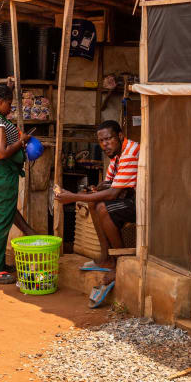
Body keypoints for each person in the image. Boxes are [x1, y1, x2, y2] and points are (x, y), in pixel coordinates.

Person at [54, 120, 139, 304]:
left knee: (101, 206)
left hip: (140, 203)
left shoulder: (129, 153)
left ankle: (118, 262)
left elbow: (113, 192)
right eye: (101, 141)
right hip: (127, 196)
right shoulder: (116, 154)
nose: (105, 144)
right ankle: (106, 256)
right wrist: (96, 190)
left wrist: (74, 197)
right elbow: (107, 184)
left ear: (120, 136)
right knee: (94, 203)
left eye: (109, 139)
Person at [0, 83, 35, 284]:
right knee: (1, 221)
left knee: (2, 214)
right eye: (8, 103)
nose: (10, 107)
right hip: (0, 172)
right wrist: (21, 142)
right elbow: (1, 152)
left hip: (0, 172)